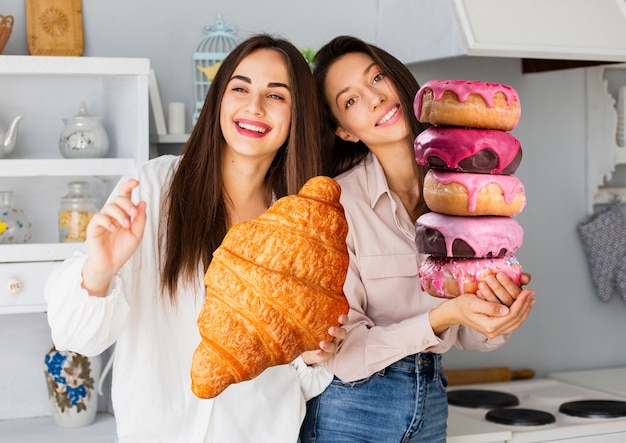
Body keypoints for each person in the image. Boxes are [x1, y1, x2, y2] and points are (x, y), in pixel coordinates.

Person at [45, 34, 347, 443]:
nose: (254, 107)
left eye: (276, 96)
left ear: (298, 115)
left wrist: (313, 357)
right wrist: (99, 270)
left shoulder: (301, 226)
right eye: (239, 88)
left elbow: (301, 380)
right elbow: (76, 339)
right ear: (218, 100)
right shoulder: (155, 189)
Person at [299, 35, 536, 443]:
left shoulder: (473, 191)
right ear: (345, 131)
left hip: (432, 404)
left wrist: (498, 315)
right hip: (352, 412)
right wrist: (446, 315)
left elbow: (468, 335)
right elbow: (346, 354)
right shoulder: (335, 206)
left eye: (376, 78)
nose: (373, 98)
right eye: (350, 100)